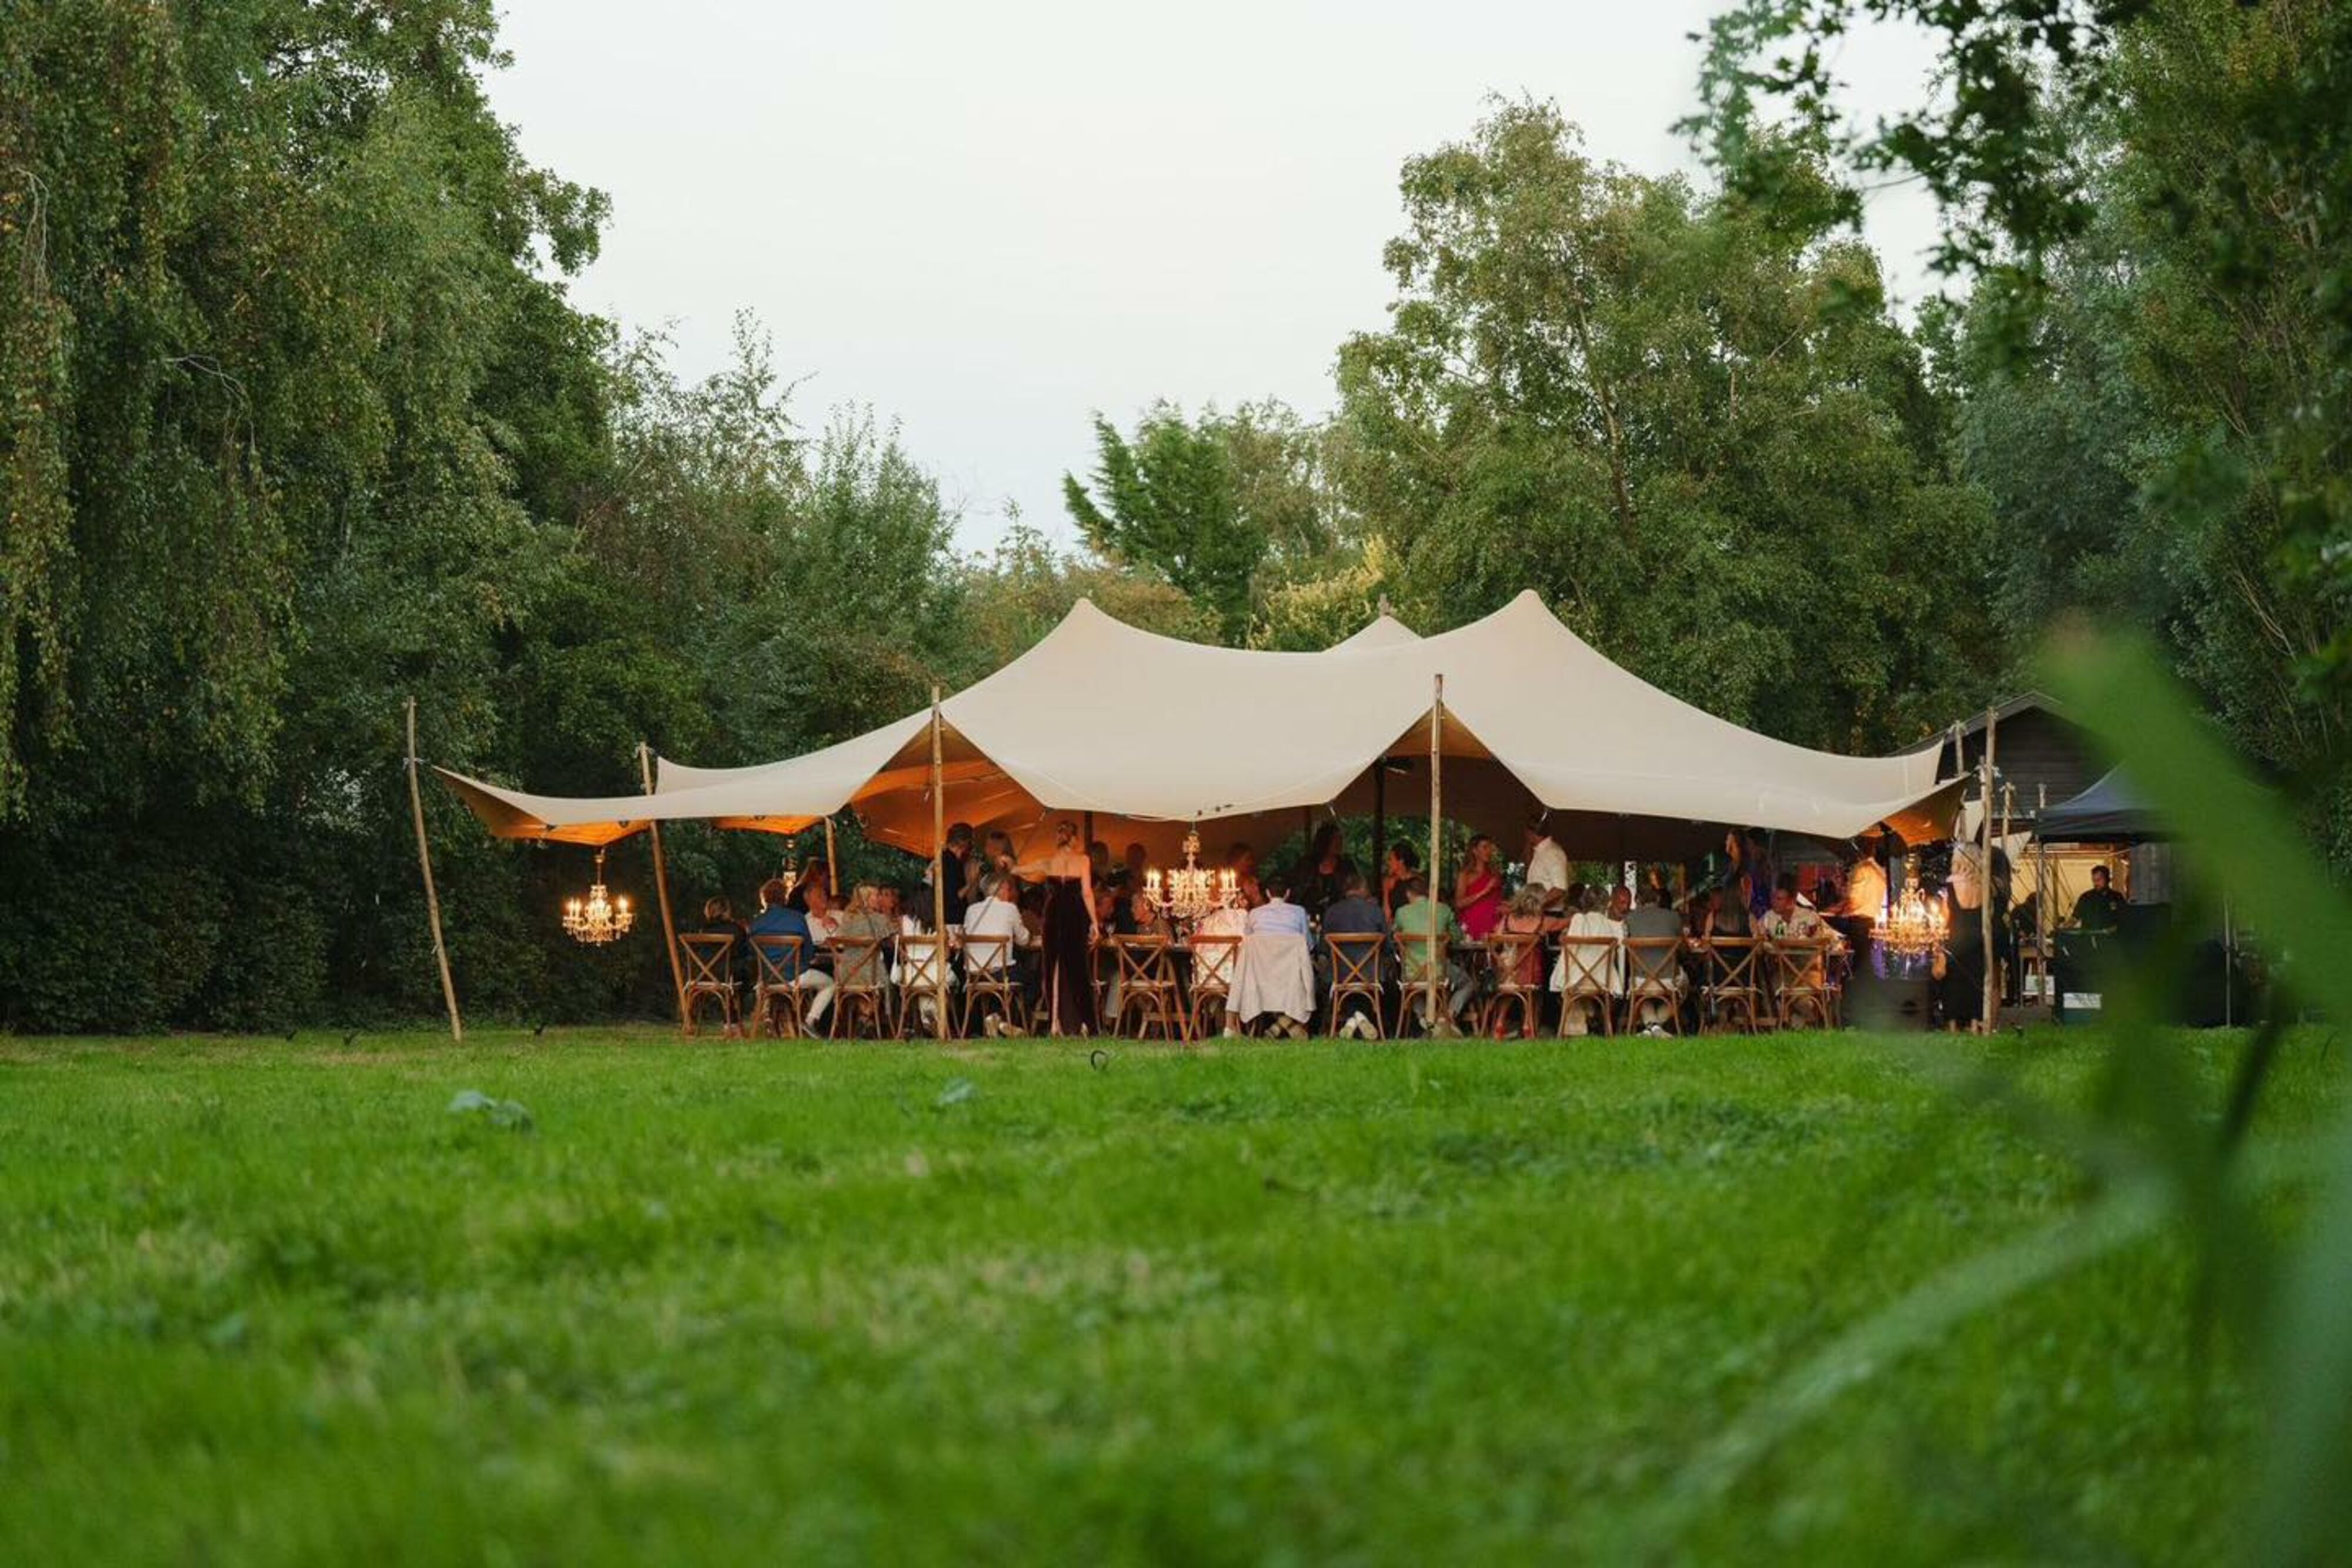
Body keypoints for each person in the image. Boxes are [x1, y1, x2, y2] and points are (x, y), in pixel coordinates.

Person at [1030, 821, 1098, 1035]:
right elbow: (1087, 893)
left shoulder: (1049, 862)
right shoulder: (1083, 860)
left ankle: (1055, 1023)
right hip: (1074, 914)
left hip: (1052, 914)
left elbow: (1025, 872)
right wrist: (1095, 922)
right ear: (1075, 838)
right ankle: (1086, 1023)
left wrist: (1010, 864)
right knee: (1078, 968)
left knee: (1052, 968)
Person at [747, 877, 833, 1030]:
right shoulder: (797, 918)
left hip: (767, 979)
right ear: (785, 897)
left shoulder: (757, 923)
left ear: (764, 899)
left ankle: (772, 1015)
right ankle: (810, 1021)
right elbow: (808, 951)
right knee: (830, 984)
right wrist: (804, 964)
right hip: (795, 975)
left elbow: (752, 954)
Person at [1393, 875, 1473, 1029]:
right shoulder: (1443, 910)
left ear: (1409, 894)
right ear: (1429, 892)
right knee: (1469, 983)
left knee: (1410, 984)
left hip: (1412, 972)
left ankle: (1423, 1016)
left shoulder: (1401, 913)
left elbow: (1394, 936)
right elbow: (1457, 938)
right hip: (1439, 971)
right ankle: (1449, 1014)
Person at [1552, 886, 1626, 1032]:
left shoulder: (1579, 920)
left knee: (1566, 982)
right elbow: (1619, 957)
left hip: (1578, 979)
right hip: (1603, 981)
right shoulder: (1613, 926)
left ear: (1584, 902)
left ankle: (1584, 1019)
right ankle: (1591, 1016)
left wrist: (1560, 976)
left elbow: (1571, 949)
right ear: (1607, 903)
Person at [1291, 824, 1357, 923]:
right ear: (1325, 841)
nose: (1339, 843)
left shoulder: (1346, 866)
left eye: (1341, 839)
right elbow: (1298, 892)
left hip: (1339, 917)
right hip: (1310, 916)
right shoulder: (1307, 865)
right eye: (1336, 839)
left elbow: (1354, 889)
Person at [1455, 834, 1505, 940]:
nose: (1489, 851)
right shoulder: (1465, 874)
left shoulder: (1495, 874)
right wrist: (1484, 891)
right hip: (1473, 925)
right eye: (1485, 847)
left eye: (1490, 848)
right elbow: (1459, 904)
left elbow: (1498, 901)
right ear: (1475, 851)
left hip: (1493, 925)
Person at [1525, 815, 1570, 911]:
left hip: (1550, 913)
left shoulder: (1552, 853)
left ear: (1530, 833)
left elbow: (1559, 889)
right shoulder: (1540, 852)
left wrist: (1535, 906)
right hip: (1539, 911)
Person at [1245, 873, 1311, 938]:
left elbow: (1248, 939)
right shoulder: (1300, 912)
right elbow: (1308, 944)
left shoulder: (1254, 913)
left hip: (1264, 948)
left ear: (1268, 893)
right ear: (1288, 893)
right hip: (1290, 949)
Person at [931, 823, 975, 914]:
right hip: (954, 919)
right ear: (964, 842)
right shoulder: (951, 863)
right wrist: (972, 881)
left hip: (946, 915)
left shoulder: (942, 858)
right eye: (970, 842)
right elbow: (954, 898)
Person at [2071, 864, 2124, 931]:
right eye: (2094, 880)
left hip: (2110, 938)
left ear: (2107, 879)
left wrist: (2114, 929)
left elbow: (2124, 919)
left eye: (2099, 880)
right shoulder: (2086, 897)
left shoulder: (2117, 897)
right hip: (2088, 938)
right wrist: (2065, 926)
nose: (2096, 883)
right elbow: (2075, 917)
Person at [1381, 841, 1421, 922]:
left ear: (1401, 861)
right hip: (1395, 930)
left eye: (1391, 859)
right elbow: (1387, 916)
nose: (1388, 863)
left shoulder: (1417, 883)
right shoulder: (1390, 883)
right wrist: (1386, 890)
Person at [1228, 842, 1265, 909]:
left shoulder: (1253, 881)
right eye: (1247, 859)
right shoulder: (1225, 883)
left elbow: (1261, 905)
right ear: (1236, 860)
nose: (1251, 862)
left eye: (1252, 859)